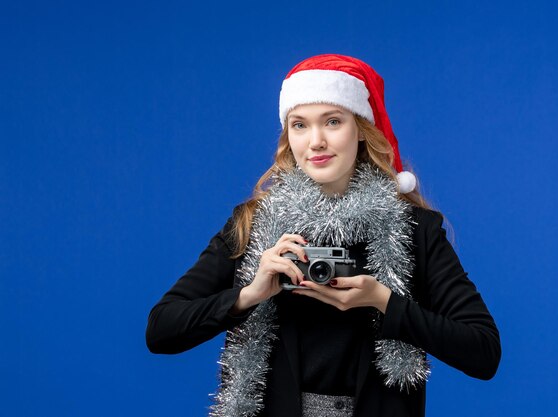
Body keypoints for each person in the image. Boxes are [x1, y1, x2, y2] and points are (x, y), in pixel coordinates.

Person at [146, 54, 501, 417]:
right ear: (288, 136)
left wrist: (384, 301)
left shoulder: (414, 228)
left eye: (332, 121)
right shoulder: (254, 224)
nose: (315, 141)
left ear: (361, 129)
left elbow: (483, 352)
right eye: (300, 125)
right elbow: (161, 329)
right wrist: (250, 294)